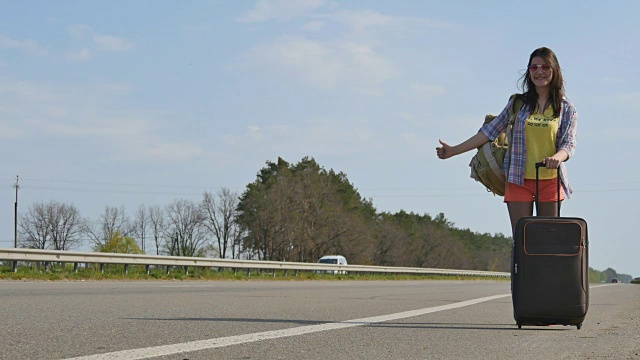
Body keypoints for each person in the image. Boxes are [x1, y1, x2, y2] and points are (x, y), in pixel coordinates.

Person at [436, 47, 578, 235]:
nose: (539, 72)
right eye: (534, 68)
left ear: (555, 70)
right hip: (518, 178)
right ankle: (518, 266)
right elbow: (488, 132)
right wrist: (453, 150)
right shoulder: (518, 104)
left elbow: (568, 143)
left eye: (545, 67)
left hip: (550, 180)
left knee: (547, 240)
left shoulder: (566, 108)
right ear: (529, 72)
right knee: (521, 239)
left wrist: (557, 158)